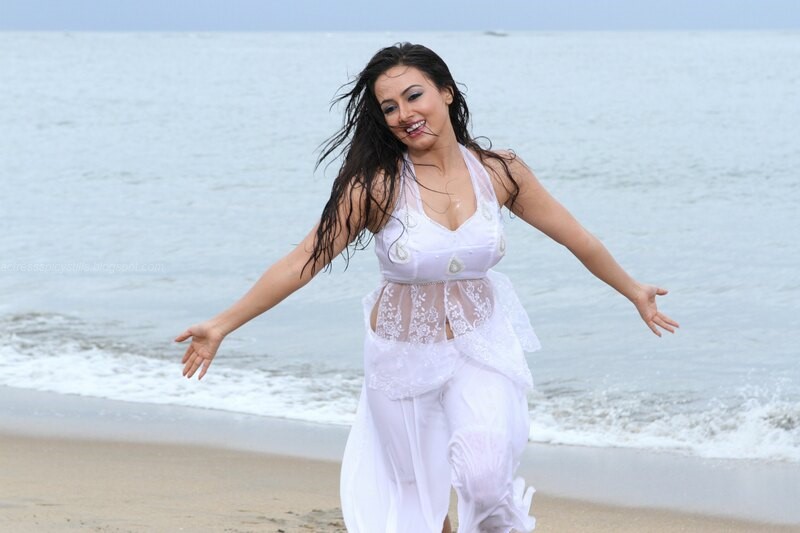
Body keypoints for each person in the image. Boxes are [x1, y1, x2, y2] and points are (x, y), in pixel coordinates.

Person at [175, 42, 679, 533]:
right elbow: (302, 260)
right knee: (419, 503)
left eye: (414, 96)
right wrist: (222, 324)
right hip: (401, 356)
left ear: (446, 92)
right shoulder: (376, 185)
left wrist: (631, 288)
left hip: (481, 345)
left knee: (484, 478)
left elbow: (577, 237)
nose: (404, 114)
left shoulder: (500, 172)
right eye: (389, 107)